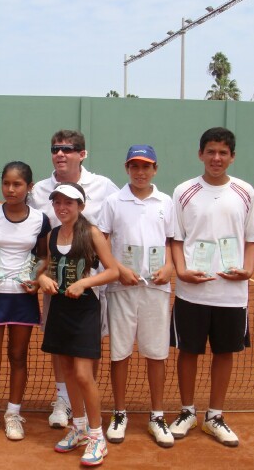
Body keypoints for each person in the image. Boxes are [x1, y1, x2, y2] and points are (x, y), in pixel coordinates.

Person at [168, 127, 254, 447]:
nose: (216, 158)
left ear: (232, 157)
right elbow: (176, 238)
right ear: (200, 154)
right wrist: (181, 271)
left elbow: (253, 239)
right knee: (189, 352)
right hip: (191, 291)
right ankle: (186, 412)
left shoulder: (245, 192)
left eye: (223, 152)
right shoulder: (184, 191)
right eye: (210, 151)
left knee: (224, 353)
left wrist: (248, 270)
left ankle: (215, 415)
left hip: (231, 293)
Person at [28, 129, 119, 429]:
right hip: (56, 289)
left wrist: (87, 280)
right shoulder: (39, 190)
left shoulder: (105, 187)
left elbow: (118, 228)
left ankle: (92, 424)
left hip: (89, 292)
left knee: (85, 359)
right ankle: (64, 402)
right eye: (55, 148)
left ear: (82, 154)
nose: (60, 154)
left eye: (68, 149)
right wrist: (39, 276)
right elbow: (38, 243)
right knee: (63, 354)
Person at [96, 145, 175, 448]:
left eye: (146, 167)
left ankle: (156, 415)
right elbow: (102, 240)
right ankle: (119, 413)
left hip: (156, 288)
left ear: (155, 169)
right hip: (121, 289)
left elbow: (172, 242)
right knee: (120, 353)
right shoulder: (114, 201)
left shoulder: (166, 203)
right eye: (135, 166)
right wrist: (116, 269)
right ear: (126, 168)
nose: (140, 172)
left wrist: (169, 267)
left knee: (156, 353)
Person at [38, 182, 119, 467]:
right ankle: (80, 427)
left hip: (84, 309)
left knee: (84, 374)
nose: (62, 208)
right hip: (59, 308)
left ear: (81, 206)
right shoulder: (52, 234)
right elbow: (48, 265)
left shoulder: (92, 233)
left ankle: (97, 436)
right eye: (57, 202)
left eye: (68, 203)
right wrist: (42, 278)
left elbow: (113, 270)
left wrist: (84, 282)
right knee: (69, 372)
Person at [0, 161, 50, 441]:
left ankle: (14, 414)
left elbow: (43, 257)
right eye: (6, 183)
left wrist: (35, 277)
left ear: (29, 187)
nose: (10, 189)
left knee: (18, 357)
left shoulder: (40, 220)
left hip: (23, 299)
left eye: (17, 184)